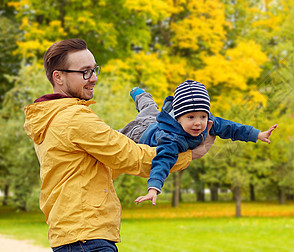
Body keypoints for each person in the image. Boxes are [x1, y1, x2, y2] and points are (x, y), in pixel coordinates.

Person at [23, 39, 212, 251]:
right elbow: (130, 157)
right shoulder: (74, 119)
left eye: (94, 70)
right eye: (85, 72)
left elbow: (103, 167)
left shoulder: (51, 117)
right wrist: (190, 154)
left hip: (76, 235)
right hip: (87, 238)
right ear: (58, 76)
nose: (93, 78)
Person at [132, 80, 277, 205]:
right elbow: (163, 160)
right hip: (140, 133)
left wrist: (257, 134)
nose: (198, 123)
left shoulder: (209, 122)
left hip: (156, 122)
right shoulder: (171, 138)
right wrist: (154, 188)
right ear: (178, 118)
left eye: (202, 116)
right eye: (191, 117)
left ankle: (139, 93)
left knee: (150, 110)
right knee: (147, 111)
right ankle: (138, 93)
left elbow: (231, 128)